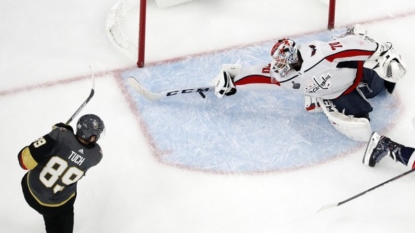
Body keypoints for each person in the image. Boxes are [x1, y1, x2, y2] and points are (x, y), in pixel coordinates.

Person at [210, 24, 407, 141]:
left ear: (292, 57)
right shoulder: (283, 75)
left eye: (281, 61)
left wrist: (381, 52)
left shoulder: (320, 55)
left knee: (380, 88)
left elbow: (348, 48)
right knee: (362, 121)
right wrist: (232, 80)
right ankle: (322, 98)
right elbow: (259, 76)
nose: (278, 67)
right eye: (277, 62)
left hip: (351, 72)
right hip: (335, 92)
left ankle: (352, 33)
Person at [18, 114, 105, 233]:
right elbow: (77, 151)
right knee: (62, 210)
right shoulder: (96, 156)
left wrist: (53, 135)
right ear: (92, 137)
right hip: (56, 207)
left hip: (30, 191)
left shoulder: (59, 136)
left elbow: (24, 162)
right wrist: (62, 134)